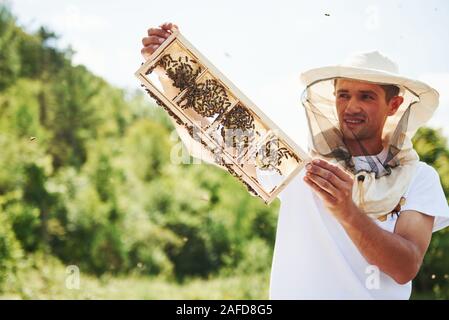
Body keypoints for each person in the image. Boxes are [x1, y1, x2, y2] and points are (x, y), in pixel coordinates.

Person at [141, 23, 449, 299]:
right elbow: (215, 134)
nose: (351, 106)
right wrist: (168, 68)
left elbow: (405, 266)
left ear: (393, 105)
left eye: (366, 96)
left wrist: (347, 210)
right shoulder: (298, 163)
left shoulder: (419, 178)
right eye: (344, 95)